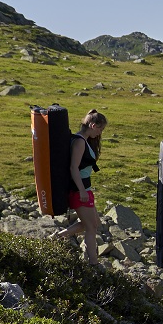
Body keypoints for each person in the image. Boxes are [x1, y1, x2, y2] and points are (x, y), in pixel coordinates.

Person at [67, 110, 108, 262]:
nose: (99, 133)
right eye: (100, 129)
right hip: (80, 190)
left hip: (84, 189)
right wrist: (82, 190)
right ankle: (93, 262)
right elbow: (73, 168)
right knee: (91, 227)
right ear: (92, 125)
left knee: (93, 223)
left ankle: (56, 236)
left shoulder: (83, 140)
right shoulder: (79, 142)